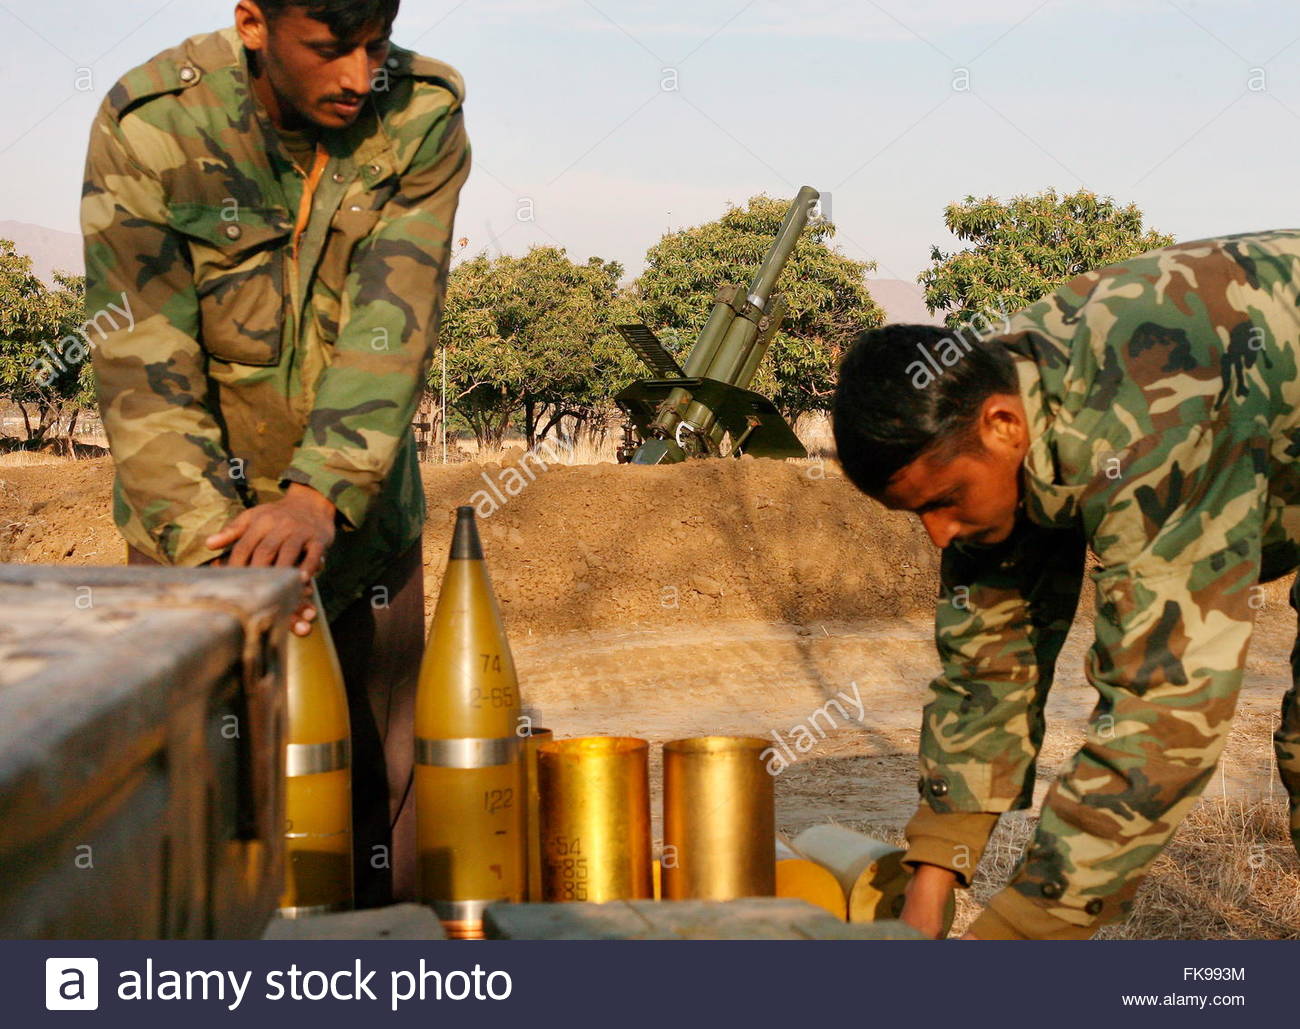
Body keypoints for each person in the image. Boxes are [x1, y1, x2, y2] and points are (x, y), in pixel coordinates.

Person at [80, 0, 471, 908]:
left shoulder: (421, 115)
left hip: (359, 540)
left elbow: (392, 322)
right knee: (198, 838)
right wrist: (228, 557)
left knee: (376, 830)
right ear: (254, 24)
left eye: (376, 44)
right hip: (191, 554)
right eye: (332, 48)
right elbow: (143, 363)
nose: (360, 74)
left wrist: (317, 500)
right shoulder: (152, 126)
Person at [832, 229, 1300, 940]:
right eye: (915, 513)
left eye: (942, 501)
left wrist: (1015, 939)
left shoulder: (1145, 417)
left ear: (1001, 425)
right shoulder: (987, 410)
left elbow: (1164, 716)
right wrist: (932, 878)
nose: (937, 534)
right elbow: (988, 669)